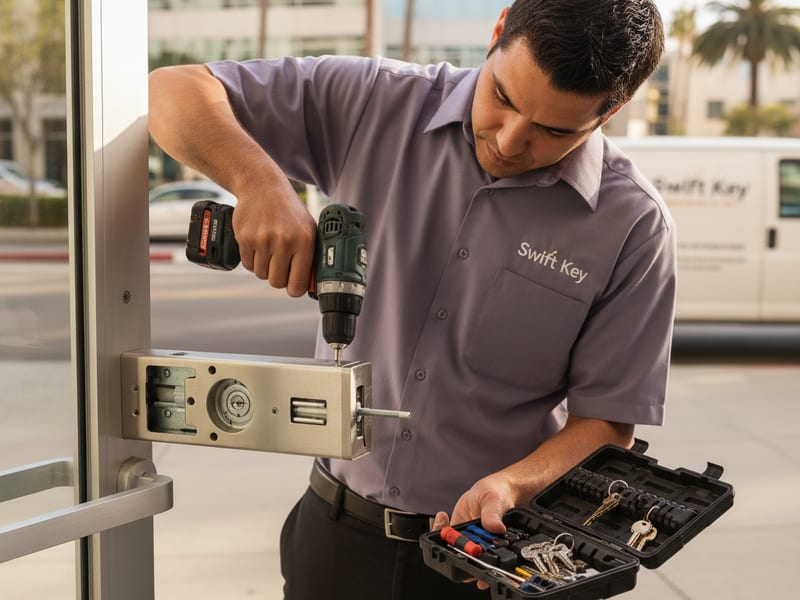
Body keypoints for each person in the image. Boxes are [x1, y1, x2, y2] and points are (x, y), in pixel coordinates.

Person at [148, 1, 674, 598]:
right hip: (335, 537)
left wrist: (515, 485)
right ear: (498, 32)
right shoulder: (373, 100)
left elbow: (606, 422)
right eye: (502, 96)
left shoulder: (632, 225)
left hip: (493, 558)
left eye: (553, 130)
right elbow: (170, 90)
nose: (508, 140)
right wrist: (260, 184)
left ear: (614, 108)